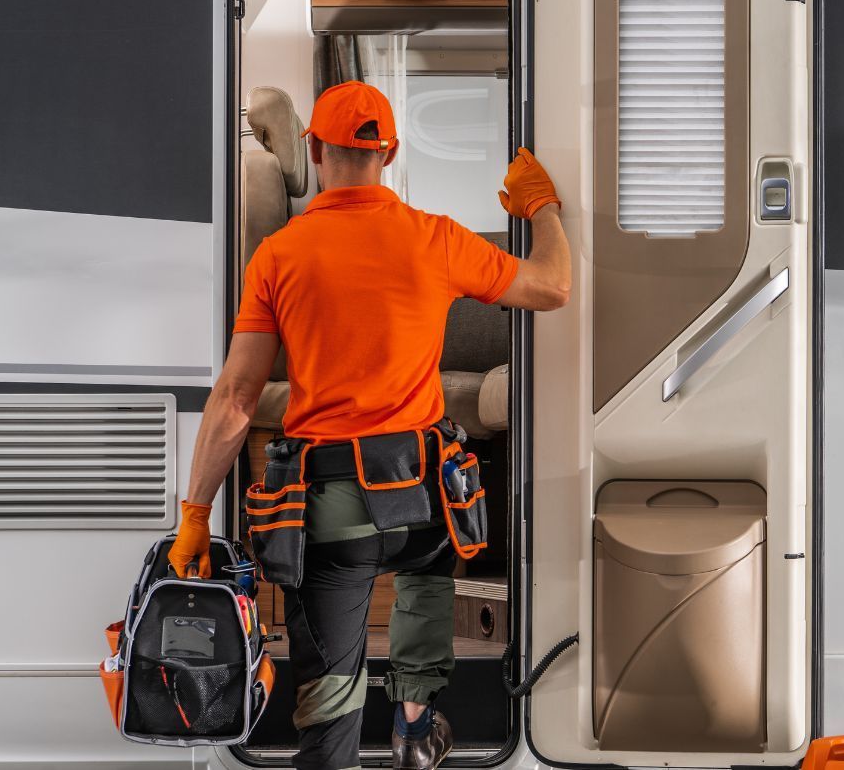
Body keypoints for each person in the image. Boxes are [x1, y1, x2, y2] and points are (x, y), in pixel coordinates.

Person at [167, 80, 570, 770]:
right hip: (422, 499)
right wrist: (542, 208)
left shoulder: (280, 256)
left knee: (328, 707)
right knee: (426, 566)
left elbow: (237, 398)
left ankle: (340, 745)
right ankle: (414, 719)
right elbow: (553, 286)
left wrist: (196, 516)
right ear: (389, 151)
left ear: (314, 148)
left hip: (333, 516)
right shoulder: (437, 239)